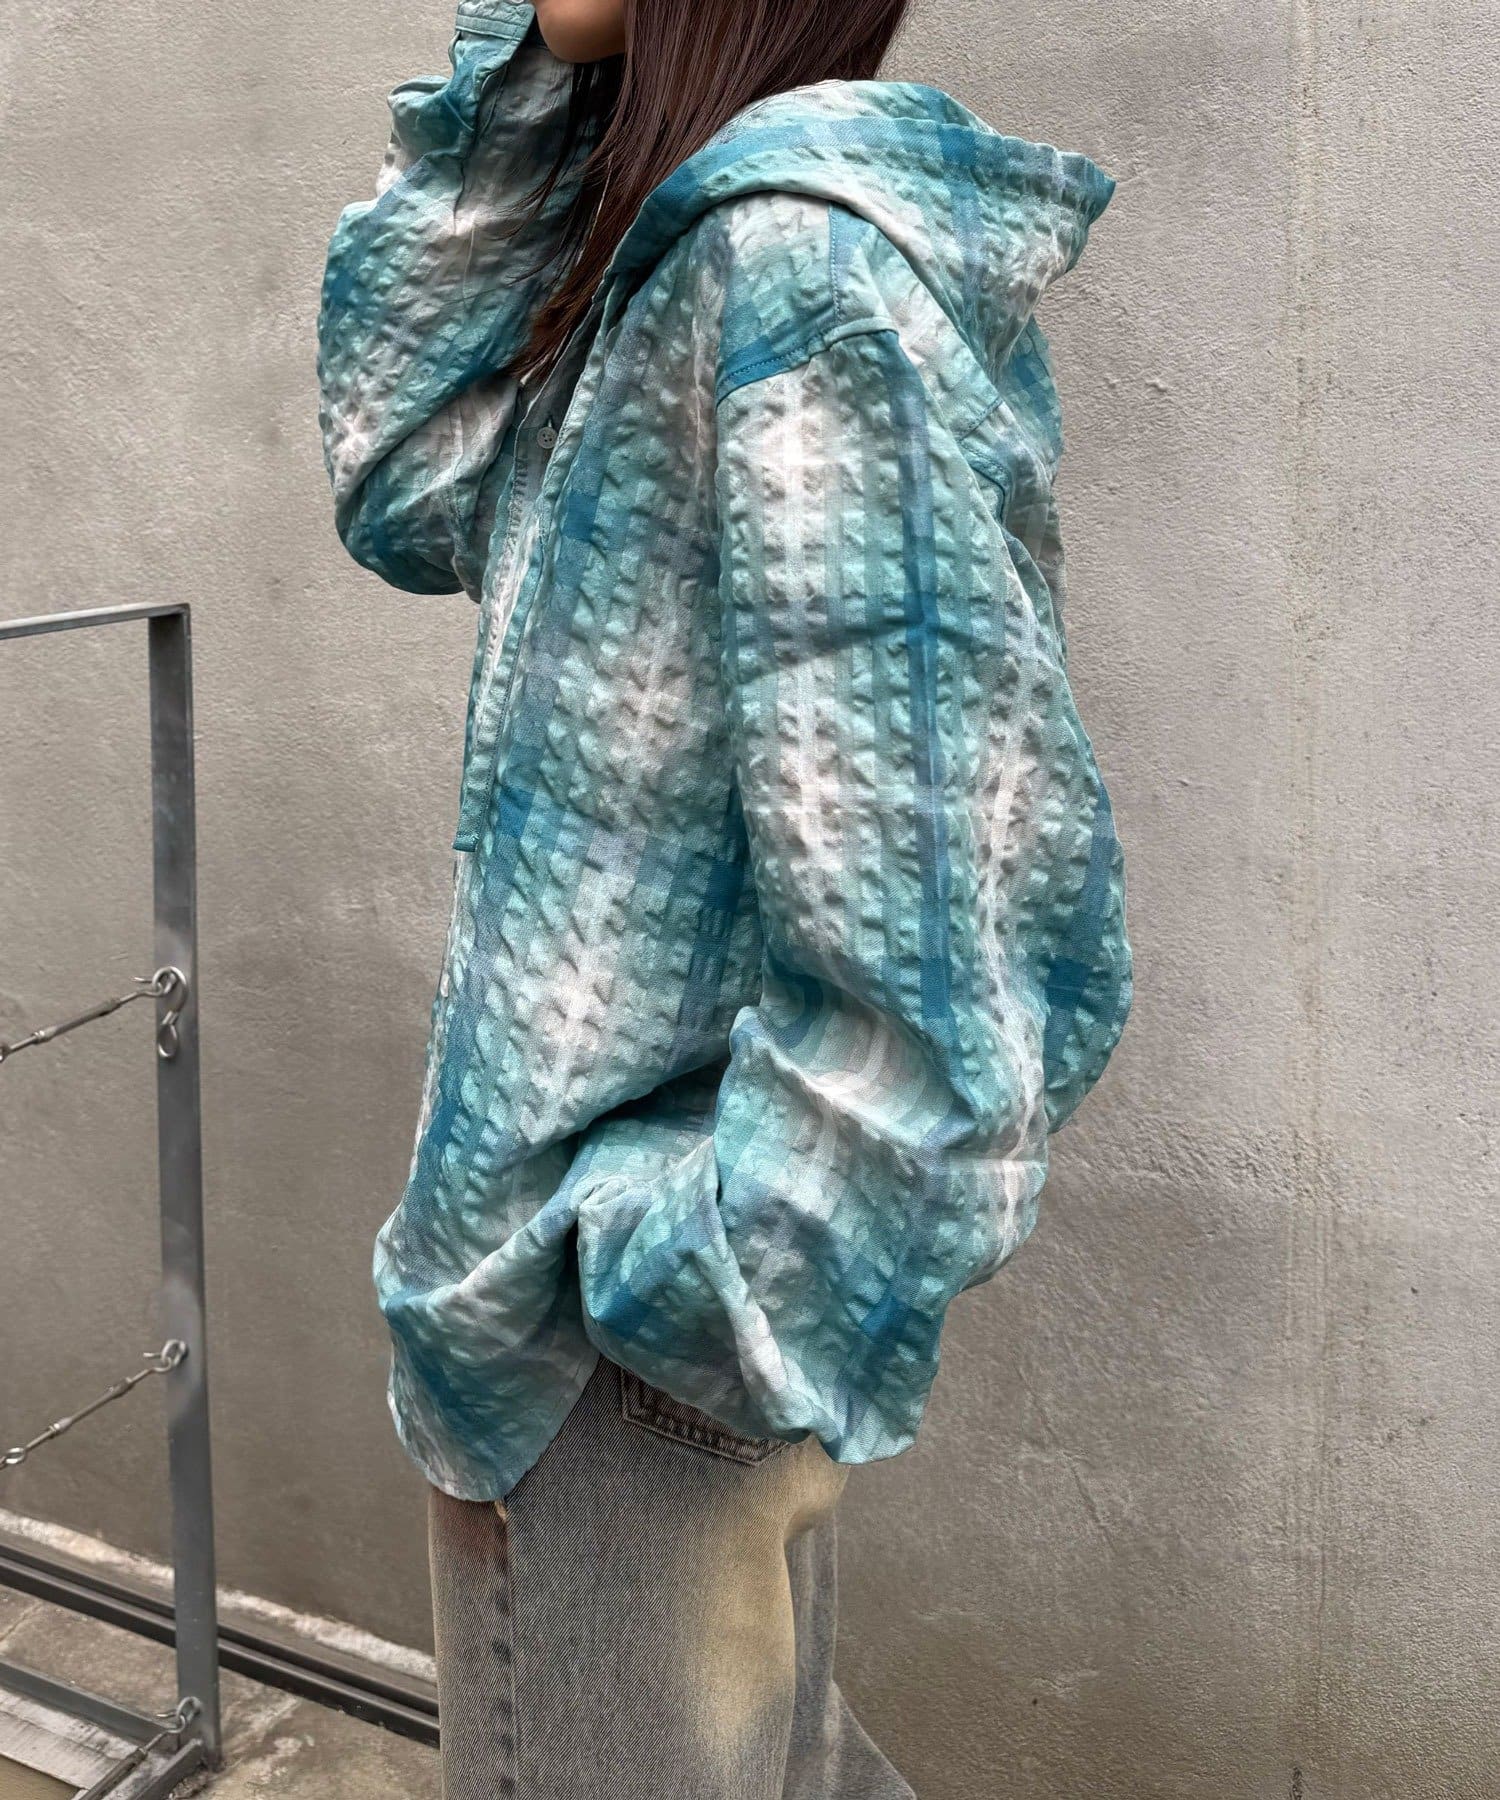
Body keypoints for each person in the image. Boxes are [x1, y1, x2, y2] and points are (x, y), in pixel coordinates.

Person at [316, 1, 1131, 1793]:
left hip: (615, 1352)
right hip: (606, 1326)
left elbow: (945, 928)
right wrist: (535, 78)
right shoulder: (674, 258)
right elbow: (401, 470)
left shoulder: (792, 273)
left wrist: (680, 1302)